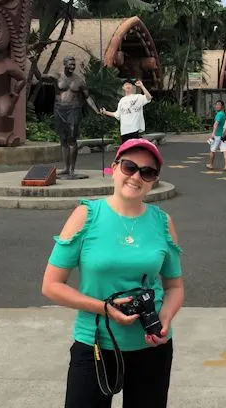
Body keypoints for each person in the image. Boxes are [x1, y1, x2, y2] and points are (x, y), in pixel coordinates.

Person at [42, 138, 184, 408]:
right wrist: (104, 308)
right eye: (129, 167)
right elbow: (51, 285)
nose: (136, 177)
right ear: (114, 168)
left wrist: (165, 319)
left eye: (147, 172)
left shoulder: (163, 222)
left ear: (154, 180)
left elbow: (174, 286)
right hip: (95, 344)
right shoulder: (86, 215)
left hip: (151, 348)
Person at [41, 56, 98, 178]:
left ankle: (72, 169)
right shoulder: (56, 77)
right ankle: (66, 168)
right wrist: (34, 63)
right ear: (64, 64)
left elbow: (87, 97)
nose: (72, 67)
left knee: (72, 139)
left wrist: (96, 110)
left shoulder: (79, 81)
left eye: (74, 65)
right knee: (63, 140)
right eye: (70, 64)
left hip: (74, 109)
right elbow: (38, 77)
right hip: (59, 109)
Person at [100, 79, 152, 143]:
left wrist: (142, 86)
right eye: (126, 84)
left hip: (134, 129)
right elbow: (117, 114)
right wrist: (105, 112)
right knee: (127, 152)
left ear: (132, 87)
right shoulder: (122, 101)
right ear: (123, 87)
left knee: (135, 150)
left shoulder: (138, 97)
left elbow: (149, 97)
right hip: (124, 131)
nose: (128, 86)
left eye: (130, 84)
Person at [206, 100, 226, 170]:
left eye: (219, 105)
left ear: (222, 106)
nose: (217, 106)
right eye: (216, 105)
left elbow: (216, 123)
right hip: (223, 135)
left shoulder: (219, 114)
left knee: (212, 150)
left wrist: (213, 133)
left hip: (217, 135)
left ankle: (211, 164)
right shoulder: (224, 114)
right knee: (224, 150)